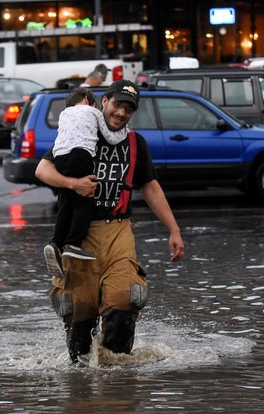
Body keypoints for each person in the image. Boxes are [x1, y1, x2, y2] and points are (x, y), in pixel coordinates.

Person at [35, 79, 184, 364]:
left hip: (118, 233)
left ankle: (118, 380)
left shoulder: (135, 143)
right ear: (104, 102)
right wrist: (73, 183)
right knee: (80, 310)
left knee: (125, 298)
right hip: (79, 238)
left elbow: (150, 187)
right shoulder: (83, 129)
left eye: (129, 108)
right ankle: (80, 384)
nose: (121, 113)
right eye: (117, 104)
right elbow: (43, 170)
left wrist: (173, 229)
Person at [44, 87, 128, 269]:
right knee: (85, 198)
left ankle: (55, 244)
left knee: (66, 203)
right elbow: (110, 137)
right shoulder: (93, 111)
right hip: (81, 155)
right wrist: (125, 131)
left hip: (60, 158)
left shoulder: (64, 114)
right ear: (88, 99)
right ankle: (74, 244)